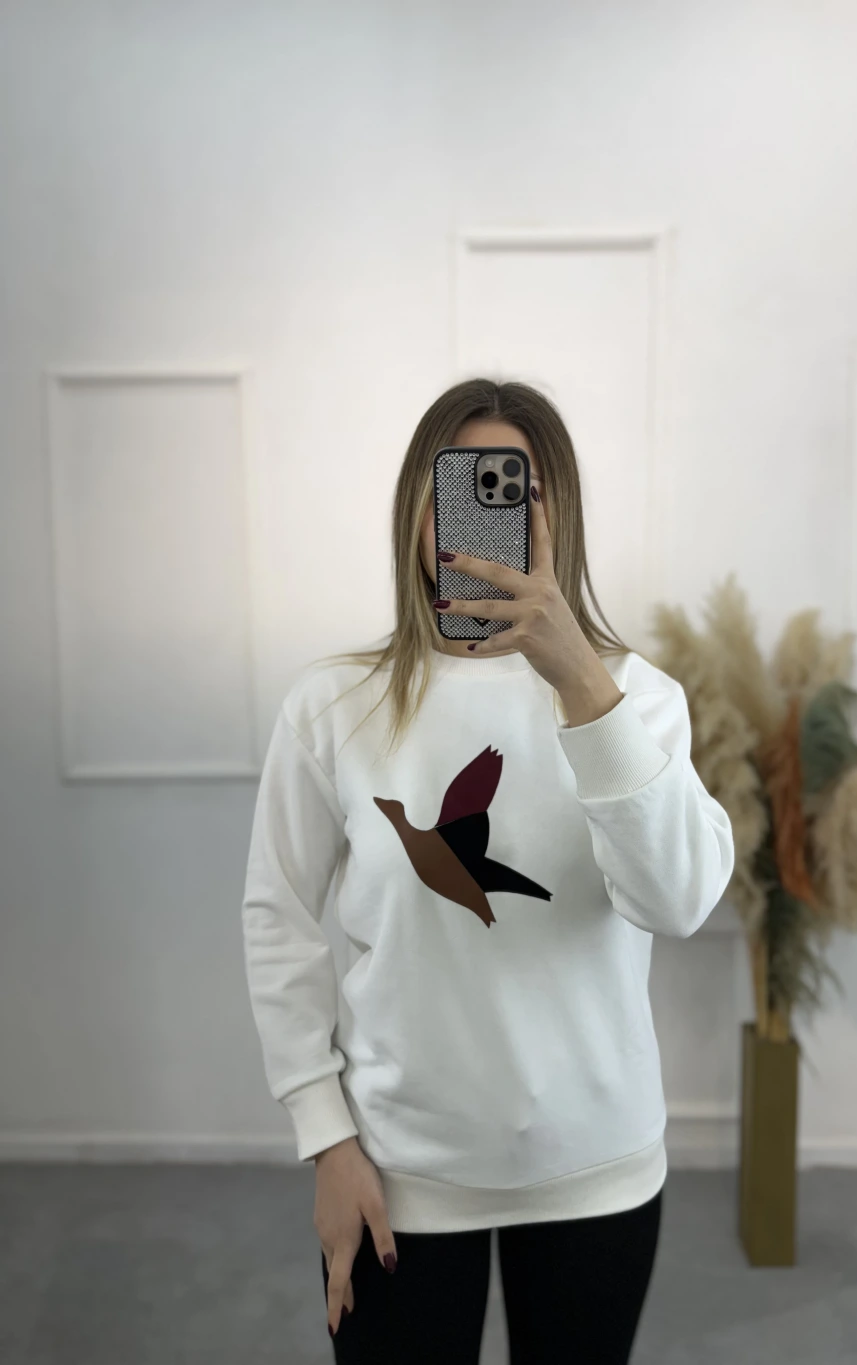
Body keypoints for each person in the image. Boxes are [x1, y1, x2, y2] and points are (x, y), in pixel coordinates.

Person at [240, 377, 735, 1364]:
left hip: (595, 1170)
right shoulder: (333, 706)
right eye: (458, 488)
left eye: (515, 493)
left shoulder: (636, 698)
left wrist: (581, 683)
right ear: (416, 514)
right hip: (398, 1174)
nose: (482, 518)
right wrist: (326, 1138)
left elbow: (678, 900)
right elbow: (277, 916)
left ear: (559, 520)